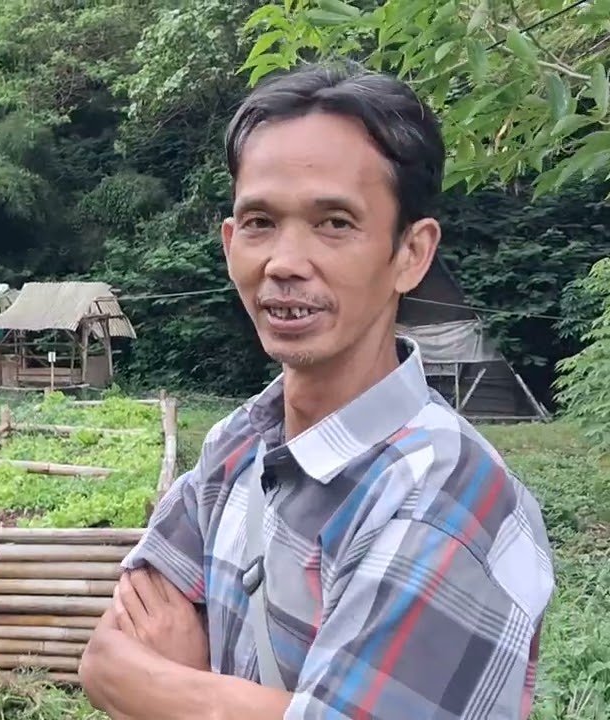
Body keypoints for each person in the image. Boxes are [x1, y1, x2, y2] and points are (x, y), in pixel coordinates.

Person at [78, 63, 555, 719]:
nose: (285, 262)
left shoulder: (444, 500)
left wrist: (176, 692)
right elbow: (107, 655)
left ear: (411, 253)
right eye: (260, 222)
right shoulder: (238, 444)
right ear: (228, 242)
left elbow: (128, 677)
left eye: (334, 223)